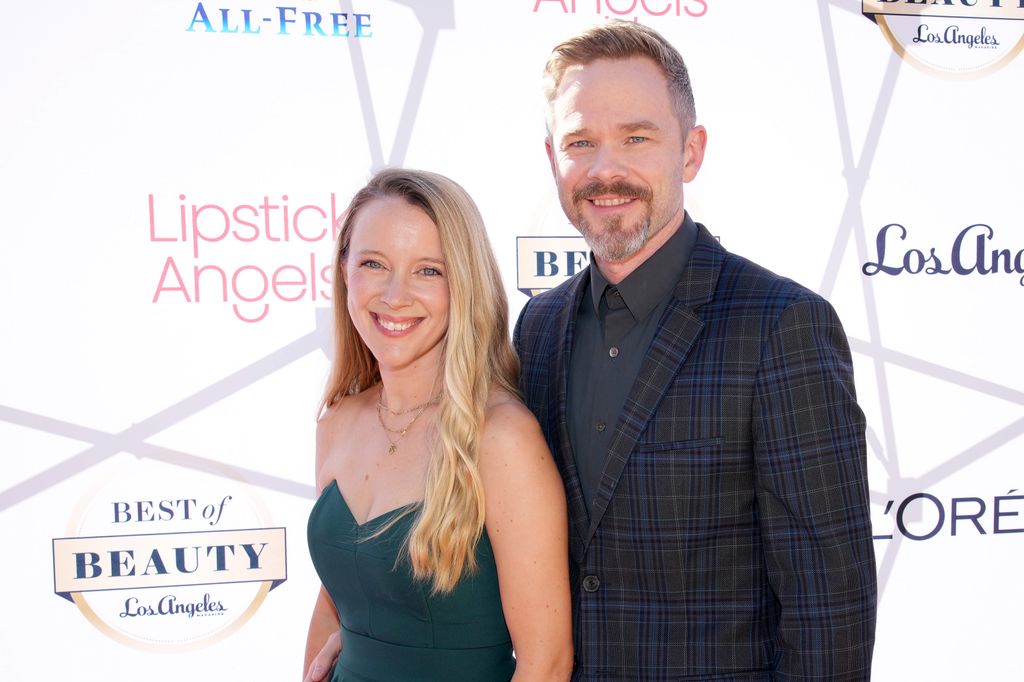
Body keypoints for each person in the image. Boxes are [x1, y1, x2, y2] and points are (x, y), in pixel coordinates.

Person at [513, 21, 878, 681]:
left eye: (636, 137)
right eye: (580, 142)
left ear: (690, 151)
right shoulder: (537, 328)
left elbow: (830, 607)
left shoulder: (781, 326)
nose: (605, 169)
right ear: (552, 159)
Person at [303, 168, 573, 682]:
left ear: (464, 282)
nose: (395, 295)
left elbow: (547, 663)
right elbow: (334, 603)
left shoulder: (500, 439)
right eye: (373, 264)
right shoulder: (338, 421)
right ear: (344, 272)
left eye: (428, 270)